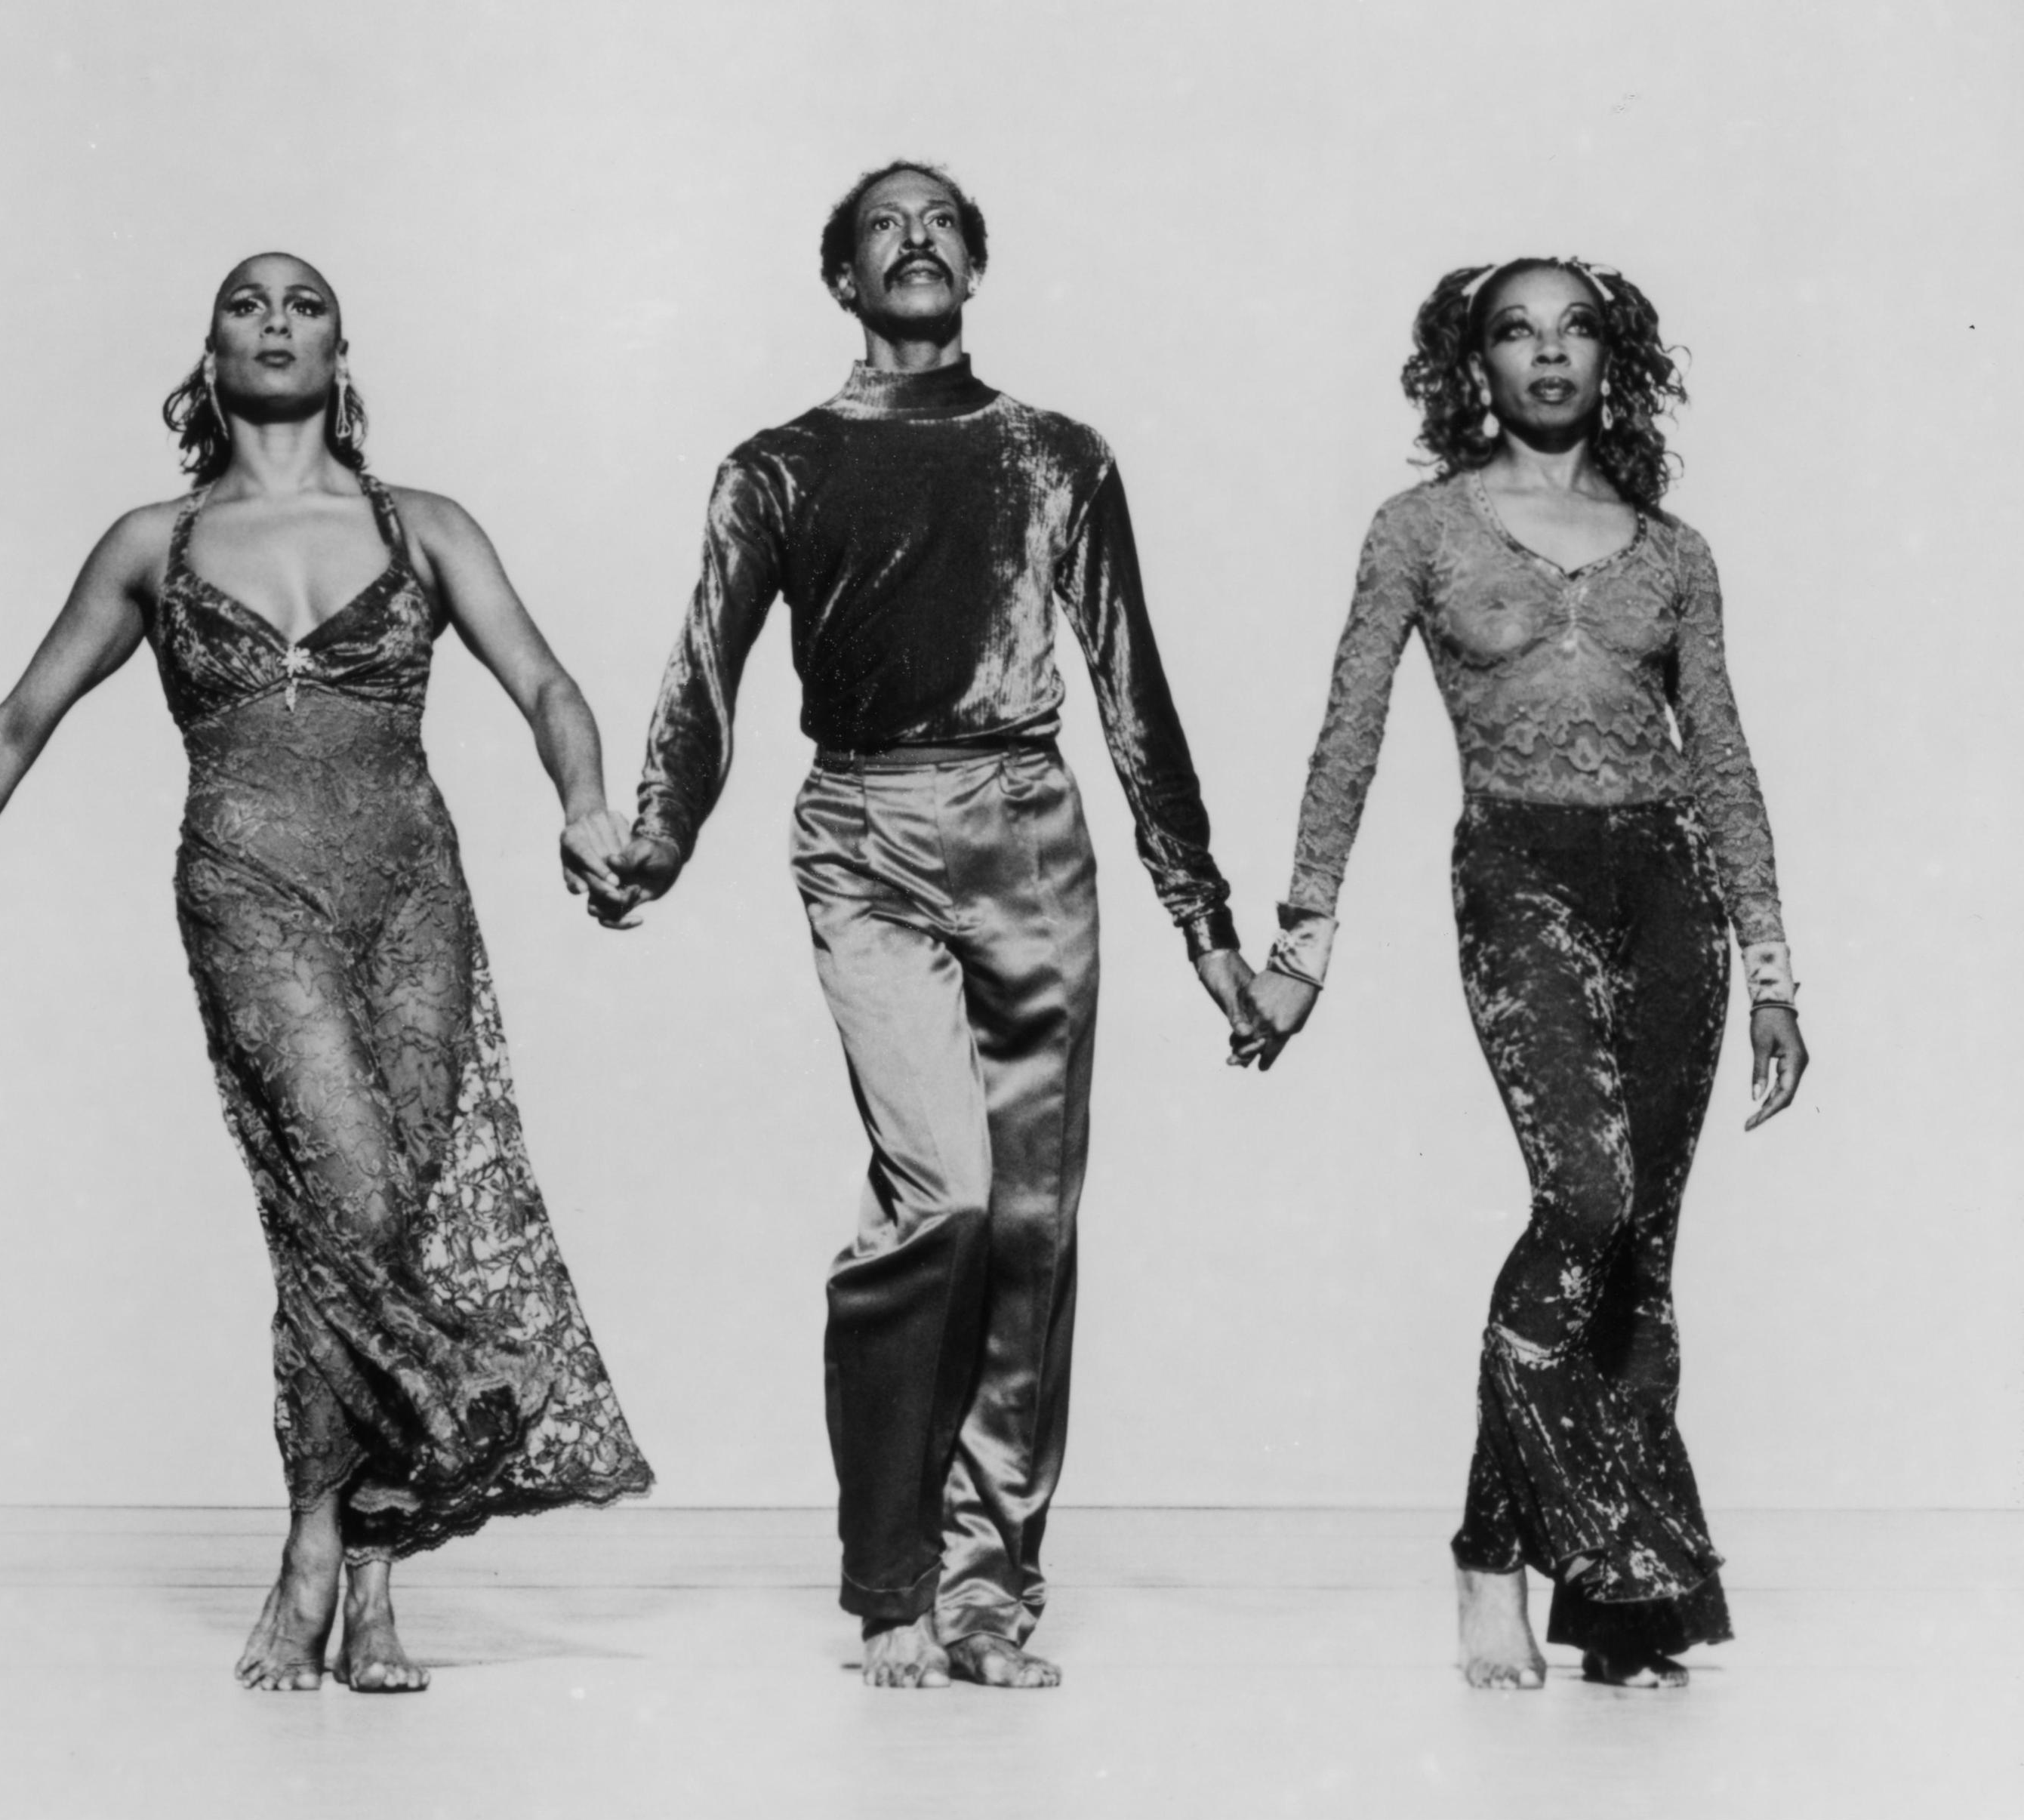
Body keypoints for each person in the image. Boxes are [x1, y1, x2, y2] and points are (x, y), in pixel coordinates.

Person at [0, 252, 652, 1693]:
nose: (276, 320)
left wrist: (584, 802)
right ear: (207, 349)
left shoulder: (429, 524)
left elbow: (551, 685)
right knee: (343, 1179)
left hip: (411, 897)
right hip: (247, 890)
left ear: (345, 346)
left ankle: (372, 1578)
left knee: (376, 1218)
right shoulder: (153, 539)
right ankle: (318, 1545)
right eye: (248, 303)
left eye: (306, 302)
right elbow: (18, 723)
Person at [593, 162, 1258, 1690]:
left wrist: (1203, 921)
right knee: (940, 1197)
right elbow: (705, 675)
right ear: (841, 275)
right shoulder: (776, 466)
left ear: (977, 264)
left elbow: (1132, 693)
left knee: (1031, 1225)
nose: (914, 241)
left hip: (1029, 829)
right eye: (883, 226)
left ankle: (988, 1592)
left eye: (941, 221)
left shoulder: (1055, 455)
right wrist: (654, 846)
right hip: (865, 831)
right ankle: (892, 1575)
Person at [1237, 257, 1810, 1690]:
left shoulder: (1674, 550)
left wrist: (1778, 966)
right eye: (1515, 331)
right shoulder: (1420, 529)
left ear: (1614, 361)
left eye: (1575, 331)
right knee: (1587, 1201)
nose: (1547, 355)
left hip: (1671, 892)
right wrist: (1300, 946)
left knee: (1642, 1255)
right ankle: (1490, 1555)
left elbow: (1724, 758)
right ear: (1472, 363)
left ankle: (1621, 1607)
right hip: (1521, 874)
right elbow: (1348, 734)